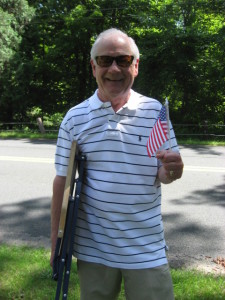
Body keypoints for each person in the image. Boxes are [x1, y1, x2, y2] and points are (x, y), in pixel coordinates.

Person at [50, 28, 184, 300]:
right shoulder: (75, 119)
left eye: (123, 60)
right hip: (94, 249)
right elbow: (62, 182)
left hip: (146, 247)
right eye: (104, 60)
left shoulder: (155, 112)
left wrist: (173, 171)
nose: (113, 68)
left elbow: (162, 172)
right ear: (92, 66)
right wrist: (56, 242)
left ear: (135, 66)